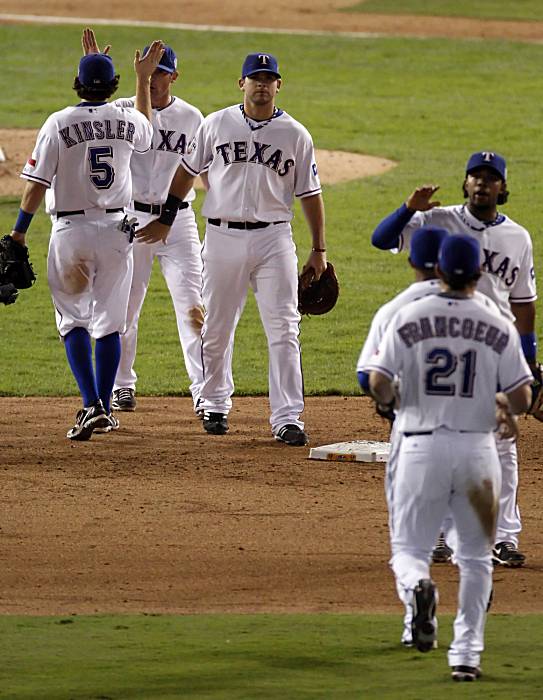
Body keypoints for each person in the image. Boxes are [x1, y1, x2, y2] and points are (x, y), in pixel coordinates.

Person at [137, 52, 327, 445]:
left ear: (279, 85)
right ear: (241, 83)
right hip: (222, 236)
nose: (261, 84)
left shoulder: (296, 135)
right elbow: (186, 174)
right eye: (254, 78)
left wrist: (318, 248)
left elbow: (310, 195)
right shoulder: (216, 124)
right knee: (217, 325)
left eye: (268, 78)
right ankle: (215, 404)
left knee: (285, 329)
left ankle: (288, 417)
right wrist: (168, 217)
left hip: (275, 240)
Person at [367, 234, 532, 682]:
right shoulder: (497, 322)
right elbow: (521, 396)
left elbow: (378, 382)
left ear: (437, 270)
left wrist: (395, 398)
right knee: (477, 560)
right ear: (480, 274)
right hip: (479, 452)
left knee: (409, 550)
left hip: (420, 446)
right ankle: (466, 656)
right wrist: (501, 404)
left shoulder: (408, 315)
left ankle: (419, 588)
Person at [371, 151, 537, 567]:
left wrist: (530, 363)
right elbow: (382, 239)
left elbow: (524, 306)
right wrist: (410, 208)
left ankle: (503, 536)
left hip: (493, 343)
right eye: (475, 177)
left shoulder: (518, 238)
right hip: (444, 338)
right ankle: (442, 535)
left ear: (503, 187)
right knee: (446, 435)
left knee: (502, 445)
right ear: (465, 183)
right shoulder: (437, 220)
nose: (482, 184)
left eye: (491, 178)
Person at [11, 41, 165, 440]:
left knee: (72, 321)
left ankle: (91, 405)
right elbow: (147, 130)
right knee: (110, 323)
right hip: (117, 233)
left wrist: (18, 233)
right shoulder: (129, 120)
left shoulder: (58, 123)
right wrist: (143, 78)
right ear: (114, 86)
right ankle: (106, 407)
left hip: (71, 234)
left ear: (77, 84)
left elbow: (34, 188)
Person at [82, 29, 205, 416]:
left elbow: (196, 173)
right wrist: (91, 68)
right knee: (123, 308)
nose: (153, 81)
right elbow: (86, 114)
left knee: (193, 309)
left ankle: (205, 394)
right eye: (147, 74)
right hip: (130, 219)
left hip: (178, 222)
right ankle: (122, 386)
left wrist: (166, 220)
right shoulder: (119, 109)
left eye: (160, 73)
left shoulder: (192, 117)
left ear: (174, 76)